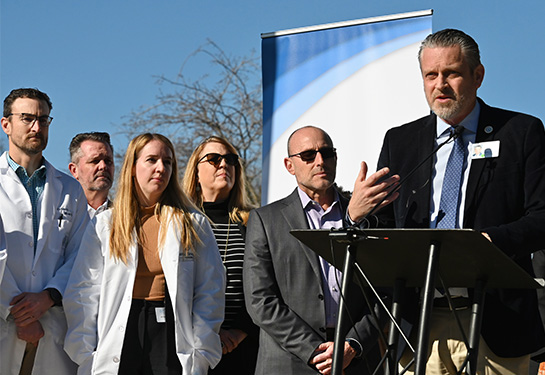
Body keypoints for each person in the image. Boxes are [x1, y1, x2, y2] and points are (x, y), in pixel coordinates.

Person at [376, 29, 545, 374]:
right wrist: (357, 212)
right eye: (431, 75)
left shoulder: (520, 132)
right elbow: (381, 227)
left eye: (451, 73)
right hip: (419, 324)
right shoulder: (400, 142)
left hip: (496, 320)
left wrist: (488, 243)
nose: (440, 85)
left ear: (477, 75)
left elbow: (542, 216)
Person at [64, 133, 226, 375]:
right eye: (152, 160)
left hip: (170, 333)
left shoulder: (193, 223)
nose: (161, 168)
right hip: (120, 332)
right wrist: (86, 354)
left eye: (168, 162)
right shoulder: (106, 223)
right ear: (132, 167)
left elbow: (210, 291)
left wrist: (201, 353)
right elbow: (83, 291)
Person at [243, 125, 400, 375]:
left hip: (357, 362)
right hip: (288, 362)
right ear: (289, 165)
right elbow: (260, 300)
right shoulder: (265, 220)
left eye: (327, 153)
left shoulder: (368, 216)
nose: (320, 161)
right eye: (308, 155)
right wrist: (314, 350)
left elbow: (386, 292)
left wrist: (353, 345)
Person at [0, 88, 89, 374]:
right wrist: (18, 310)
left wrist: (48, 297)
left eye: (44, 119)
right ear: (6, 124)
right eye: (27, 118)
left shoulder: (71, 189)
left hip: (53, 323)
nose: (36, 127)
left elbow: (80, 255)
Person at [183, 136, 259, 374]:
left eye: (230, 160)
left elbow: (268, 285)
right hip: (189, 346)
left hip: (243, 346)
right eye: (214, 159)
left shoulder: (255, 223)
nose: (224, 165)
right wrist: (207, 334)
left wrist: (238, 331)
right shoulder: (179, 223)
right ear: (195, 172)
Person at [68, 132, 115, 218]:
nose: (103, 166)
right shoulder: (58, 215)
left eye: (108, 161)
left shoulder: (126, 218)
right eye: (95, 161)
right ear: (74, 170)